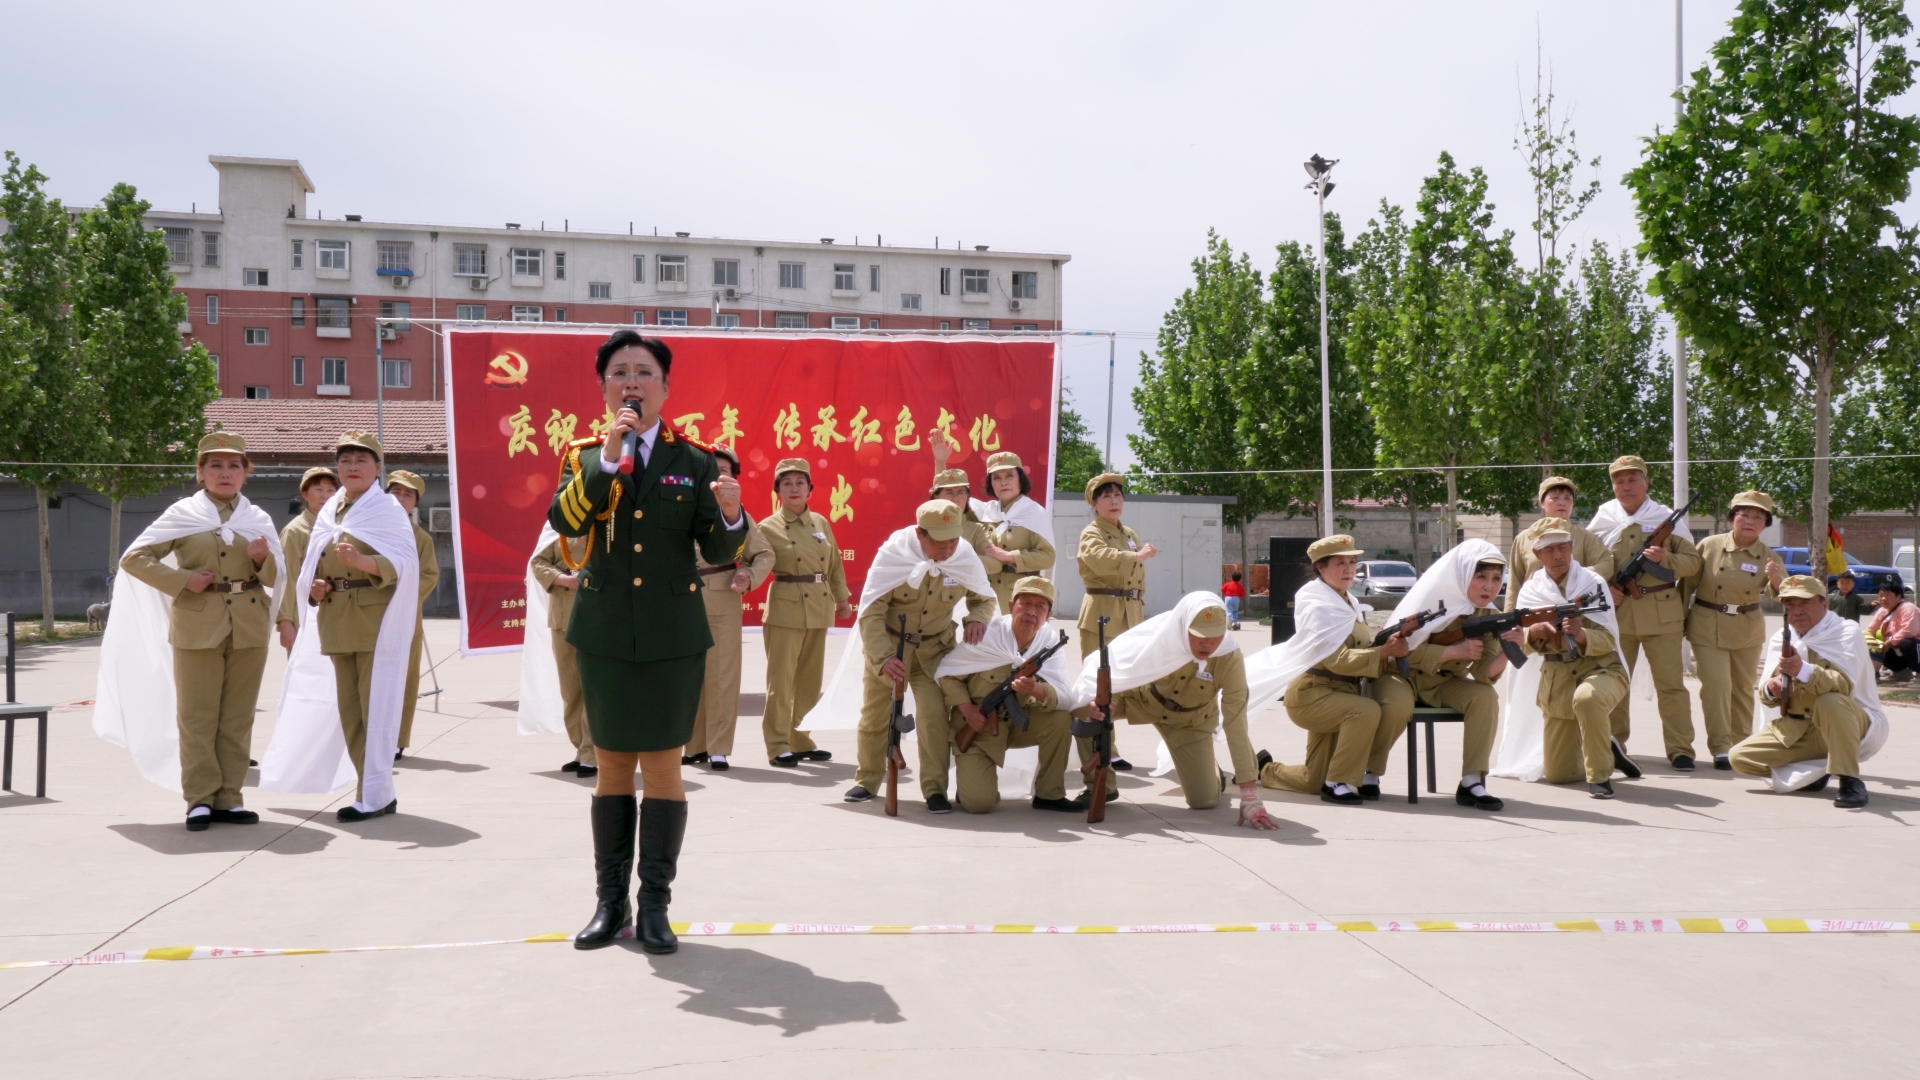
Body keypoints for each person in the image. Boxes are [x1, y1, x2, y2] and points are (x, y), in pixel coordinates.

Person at [548, 330, 749, 954]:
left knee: (663, 767)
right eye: (618, 373)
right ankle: (611, 905)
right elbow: (566, 522)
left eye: (643, 372)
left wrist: (733, 513)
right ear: (604, 387)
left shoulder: (693, 461)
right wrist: (608, 459)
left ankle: (656, 905)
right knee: (610, 766)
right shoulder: (585, 455)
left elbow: (718, 551)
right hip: (606, 632)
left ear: (666, 386)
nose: (631, 382)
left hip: (671, 634)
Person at [103, 432, 282, 830]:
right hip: (197, 623)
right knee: (197, 717)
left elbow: (279, 576)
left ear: (245, 473)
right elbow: (135, 557)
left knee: (237, 718)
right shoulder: (183, 513)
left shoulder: (258, 519)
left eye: (234, 465)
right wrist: (182, 579)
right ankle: (200, 799)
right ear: (200, 472)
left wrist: (261, 559)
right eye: (215, 465)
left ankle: (230, 799)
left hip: (250, 625)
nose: (225, 473)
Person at [302, 430, 421, 822]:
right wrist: (315, 586)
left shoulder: (386, 510)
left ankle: (376, 793)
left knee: (377, 710)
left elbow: (406, 564)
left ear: (377, 468)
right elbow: (314, 562)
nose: (352, 467)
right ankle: (368, 789)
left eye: (361, 460)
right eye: (346, 461)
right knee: (352, 713)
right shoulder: (331, 510)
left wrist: (365, 562)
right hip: (336, 619)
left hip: (375, 621)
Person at [847, 500, 996, 811]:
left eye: (953, 539)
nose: (948, 548)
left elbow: (984, 599)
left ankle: (934, 790)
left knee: (934, 718)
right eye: (940, 541)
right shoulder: (894, 554)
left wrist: (977, 620)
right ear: (920, 533)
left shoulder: (964, 555)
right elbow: (871, 612)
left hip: (934, 651)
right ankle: (867, 780)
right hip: (890, 649)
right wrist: (883, 657)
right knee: (876, 715)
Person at [1079, 594, 1277, 827]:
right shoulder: (1158, 637)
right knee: (1082, 708)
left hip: (1190, 722)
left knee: (1203, 801)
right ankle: (1103, 788)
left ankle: (1211, 771)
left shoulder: (1229, 657)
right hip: (1142, 701)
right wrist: (1106, 701)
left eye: (1216, 636)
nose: (1208, 644)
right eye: (1199, 636)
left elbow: (1236, 722)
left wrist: (1249, 793)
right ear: (1183, 627)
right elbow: (1121, 668)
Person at [1247, 535, 1414, 805]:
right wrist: (1383, 652)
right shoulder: (1318, 605)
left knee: (1311, 781)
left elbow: (1360, 644)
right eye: (1340, 563)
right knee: (1366, 710)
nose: (1349, 569)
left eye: (1352, 562)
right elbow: (1336, 660)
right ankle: (1338, 783)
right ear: (1321, 568)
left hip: (1340, 693)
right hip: (1314, 694)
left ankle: (1262, 768)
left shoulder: (1346, 601)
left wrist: (1388, 640)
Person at [1732, 576, 1884, 808]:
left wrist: (1803, 670)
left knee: (1830, 702)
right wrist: (1772, 688)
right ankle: (1814, 774)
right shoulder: (1782, 637)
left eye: (1805, 602)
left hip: (1848, 723)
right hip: (1799, 728)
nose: (1797, 611)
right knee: (1739, 758)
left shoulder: (1845, 632)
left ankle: (1849, 780)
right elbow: (1765, 694)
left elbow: (1843, 685)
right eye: (1790, 605)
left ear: (1824, 604)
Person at [1590, 455, 1701, 770]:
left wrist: (1666, 558)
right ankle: (1613, 744)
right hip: (1617, 615)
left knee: (1671, 686)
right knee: (1615, 683)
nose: (1626, 487)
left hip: (1662, 615)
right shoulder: (1603, 520)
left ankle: (1681, 750)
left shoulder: (1666, 518)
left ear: (1646, 482)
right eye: (1619, 481)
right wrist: (1604, 587)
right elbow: (1586, 566)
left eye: (1632, 480)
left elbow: (1693, 564)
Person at [935, 576, 1082, 814]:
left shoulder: (1048, 641)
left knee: (1061, 719)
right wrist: (967, 710)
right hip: (979, 727)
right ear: (1011, 605)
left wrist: (1036, 689)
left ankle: (1049, 794)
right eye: (1025, 604)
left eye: (1040, 607)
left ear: (1049, 614)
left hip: (1017, 724)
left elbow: (1065, 695)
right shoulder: (987, 635)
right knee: (979, 804)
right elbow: (947, 673)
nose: (1032, 612)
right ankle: (974, 787)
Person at [1392, 540, 1516, 811]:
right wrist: (1452, 651)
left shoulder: (1487, 614)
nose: (1489, 586)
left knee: (1484, 696)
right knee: (1394, 704)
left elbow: (1483, 674)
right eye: (1480, 576)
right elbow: (1398, 652)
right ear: (1462, 574)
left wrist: (1510, 650)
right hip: (1402, 678)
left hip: (1444, 684)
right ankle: (1369, 772)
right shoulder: (1430, 603)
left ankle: (1473, 781)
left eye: (1496, 578)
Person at [1517, 529, 1632, 798]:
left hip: (1602, 669)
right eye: (1549, 550)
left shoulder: (1592, 584)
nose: (1558, 555)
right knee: (1560, 775)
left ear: (1572, 547)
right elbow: (1516, 640)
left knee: (1588, 698)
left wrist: (1581, 635)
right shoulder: (1532, 590)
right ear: (1537, 555)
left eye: (1563, 547)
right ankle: (1606, 747)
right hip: (1557, 681)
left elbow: (1608, 638)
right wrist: (1532, 634)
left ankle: (1600, 778)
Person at [756, 457, 852, 767]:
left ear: (809, 489)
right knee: (781, 682)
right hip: (786, 608)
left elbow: (834, 563)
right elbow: (754, 562)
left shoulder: (821, 523)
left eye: (800, 483)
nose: (794, 488)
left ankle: (800, 738)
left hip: (819, 606)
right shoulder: (767, 527)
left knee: (810, 682)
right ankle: (777, 744)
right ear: (778, 491)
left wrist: (842, 598)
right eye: (787, 483)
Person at [685, 446, 775, 770]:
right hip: (682, 601)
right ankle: (692, 745)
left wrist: (748, 575)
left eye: (726, 471)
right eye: (714, 471)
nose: (720, 477)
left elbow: (764, 554)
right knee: (688, 678)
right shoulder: (686, 509)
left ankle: (718, 747)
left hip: (722, 599)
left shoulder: (740, 515)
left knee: (722, 677)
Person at [1683, 490, 1786, 769]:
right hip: (1706, 623)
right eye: (1744, 514)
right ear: (1732, 518)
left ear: (1766, 523)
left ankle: (1741, 746)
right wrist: (1679, 621)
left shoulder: (1768, 556)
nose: (1750, 521)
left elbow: (1785, 595)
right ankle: (1720, 747)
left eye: (1758, 516)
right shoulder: (1709, 545)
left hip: (1746, 627)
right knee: (1716, 687)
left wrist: (1776, 581)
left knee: (1741, 688)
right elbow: (1687, 586)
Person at [1076, 471, 1155, 775]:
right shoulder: (1091, 532)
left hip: (1129, 612)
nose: (1113, 500)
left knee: (1121, 687)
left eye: (1118, 495)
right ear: (1094, 504)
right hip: (1102, 613)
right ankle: (1103, 748)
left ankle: (1104, 743)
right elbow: (1098, 558)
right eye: (1106, 496)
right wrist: (1134, 558)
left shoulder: (1129, 533)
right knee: (1100, 687)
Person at [932, 438, 1055, 611]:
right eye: (996, 478)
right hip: (983, 594)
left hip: (1018, 597)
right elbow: (947, 502)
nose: (1003, 482)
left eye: (1009, 476)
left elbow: (1047, 557)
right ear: (991, 483)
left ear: (1020, 479)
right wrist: (940, 462)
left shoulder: (1034, 513)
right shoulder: (985, 511)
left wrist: (1009, 556)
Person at [529, 531, 597, 776]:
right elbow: (537, 562)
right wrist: (562, 578)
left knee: (594, 689)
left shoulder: (608, 523)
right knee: (571, 690)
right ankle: (581, 749)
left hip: (599, 619)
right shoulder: (558, 529)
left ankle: (592, 753)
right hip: (562, 619)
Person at [384, 470, 440, 761]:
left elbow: (430, 574)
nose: (400, 497)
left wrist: (401, 597)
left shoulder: (420, 538)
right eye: (395, 491)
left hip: (405, 617)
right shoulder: (367, 528)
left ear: (414, 503)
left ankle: (397, 739)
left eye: (407, 494)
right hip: (366, 614)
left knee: (404, 678)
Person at [1504, 476, 1614, 608]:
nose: (1562, 503)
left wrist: (1577, 576)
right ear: (1542, 503)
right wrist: (1509, 620)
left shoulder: (1584, 536)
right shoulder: (1524, 539)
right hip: (1535, 613)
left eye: (1567, 498)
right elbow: (1514, 584)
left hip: (1576, 614)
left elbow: (1607, 564)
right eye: (1555, 498)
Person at [276, 466, 338, 652]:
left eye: (330, 490)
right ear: (305, 493)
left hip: (336, 614)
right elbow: (287, 577)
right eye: (318, 489)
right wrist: (285, 621)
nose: (325, 496)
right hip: (304, 614)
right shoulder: (296, 531)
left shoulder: (339, 527)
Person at [1867, 579, 1919, 682]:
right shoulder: (1882, 611)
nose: (1883, 598)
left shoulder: (1909, 608)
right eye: (1880, 595)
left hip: (1914, 644)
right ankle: (1901, 672)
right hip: (1895, 647)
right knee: (1875, 646)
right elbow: (1870, 630)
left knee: (1907, 643)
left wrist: (1889, 642)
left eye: (1887, 595)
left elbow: (1909, 631)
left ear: (1899, 596)